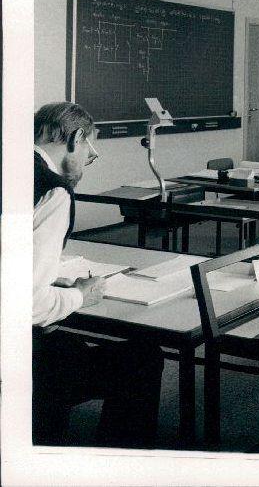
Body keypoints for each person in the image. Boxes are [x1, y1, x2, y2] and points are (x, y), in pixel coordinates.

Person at [33, 102, 164, 447]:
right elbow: (29, 304)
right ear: (75, 138)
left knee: (69, 341)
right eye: (89, 148)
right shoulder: (54, 192)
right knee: (143, 356)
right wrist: (80, 295)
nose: (89, 158)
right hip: (16, 354)